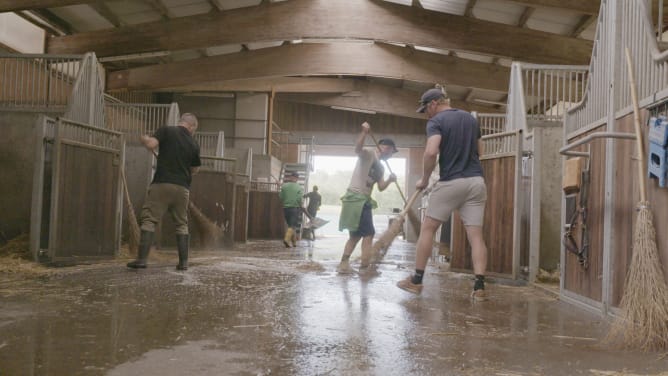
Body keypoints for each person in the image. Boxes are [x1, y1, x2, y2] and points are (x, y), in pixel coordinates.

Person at [396, 87, 489, 300]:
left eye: (426, 109)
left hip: (451, 182)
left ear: (433, 104)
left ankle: (417, 281)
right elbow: (480, 151)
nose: (427, 114)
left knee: (428, 228)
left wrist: (425, 178)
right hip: (476, 181)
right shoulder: (471, 120)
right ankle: (480, 286)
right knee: (476, 236)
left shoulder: (436, 122)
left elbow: (431, 151)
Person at [127, 113, 201, 270]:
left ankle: (141, 260)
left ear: (181, 122)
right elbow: (195, 169)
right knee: (182, 224)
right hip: (182, 189)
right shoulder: (194, 143)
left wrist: (145, 139)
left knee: (149, 220)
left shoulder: (166, 131)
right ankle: (183, 263)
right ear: (191, 126)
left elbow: (151, 144)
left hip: (162, 183)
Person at [337, 122, 397, 274]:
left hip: (364, 200)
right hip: (356, 198)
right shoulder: (369, 153)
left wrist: (390, 180)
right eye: (391, 153)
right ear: (386, 148)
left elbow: (381, 187)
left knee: (356, 236)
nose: (390, 156)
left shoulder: (381, 167)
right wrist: (364, 132)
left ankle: (343, 264)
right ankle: (364, 266)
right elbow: (357, 149)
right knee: (369, 233)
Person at [279, 171, 303, 248]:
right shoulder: (299, 187)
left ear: (290, 177)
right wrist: (301, 204)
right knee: (292, 226)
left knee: (291, 226)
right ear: (297, 179)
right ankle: (286, 239)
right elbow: (300, 199)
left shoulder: (284, 186)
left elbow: (281, 197)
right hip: (294, 209)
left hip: (285, 209)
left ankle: (294, 243)